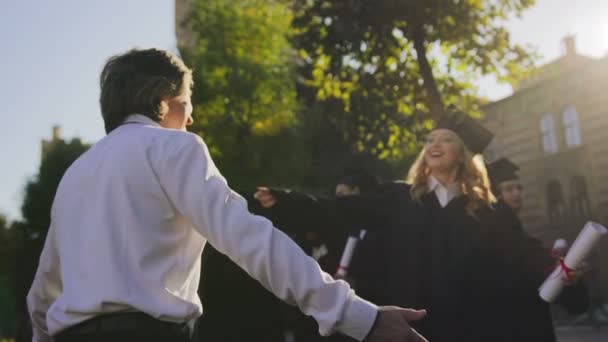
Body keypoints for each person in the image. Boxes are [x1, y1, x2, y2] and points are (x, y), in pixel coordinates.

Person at [26, 48, 428, 342]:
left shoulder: (74, 174)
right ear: (164, 103)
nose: (192, 117)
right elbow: (249, 239)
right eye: (187, 103)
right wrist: (358, 316)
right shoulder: (175, 148)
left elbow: (44, 288)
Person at [255, 108, 584, 342]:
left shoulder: (487, 211)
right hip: (415, 325)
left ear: (463, 155)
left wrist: (562, 272)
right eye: (429, 140)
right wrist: (289, 201)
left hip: (470, 326)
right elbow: (344, 210)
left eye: (446, 140)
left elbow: (523, 254)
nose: (434, 145)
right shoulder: (401, 199)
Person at [486, 157, 589, 342]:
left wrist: (566, 275)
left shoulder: (524, 238)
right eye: (509, 189)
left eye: (519, 188)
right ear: (497, 196)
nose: (517, 193)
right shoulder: (498, 238)